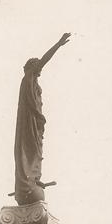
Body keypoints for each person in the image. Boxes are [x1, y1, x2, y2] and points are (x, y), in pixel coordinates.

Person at [14, 33, 71, 206]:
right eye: (36, 66)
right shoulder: (29, 77)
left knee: (36, 152)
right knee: (31, 151)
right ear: (31, 67)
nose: (39, 70)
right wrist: (58, 44)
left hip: (36, 124)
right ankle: (29, 183)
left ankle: (33, 179)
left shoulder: (33, 81)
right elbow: (44, 60)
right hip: (30, 123)